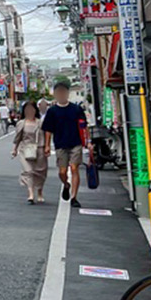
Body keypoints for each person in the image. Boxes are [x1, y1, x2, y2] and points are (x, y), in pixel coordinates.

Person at [42, 79, 87, 207]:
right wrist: (46, 145)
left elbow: (84, 126)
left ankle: (74, 197)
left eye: (64, 92)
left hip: (76, 142)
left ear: (67, 93)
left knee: (74, 168)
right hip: (60, 144)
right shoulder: (52, 111)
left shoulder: (76, 109)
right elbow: (48, 130)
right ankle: (66, 184)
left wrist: (87, 141)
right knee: (62, 172)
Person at [11, 100, 47, 204]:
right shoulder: (21, 123)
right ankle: (31, 194)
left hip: (39, 149)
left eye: (31, 109)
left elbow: (46, 136)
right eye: (27, 109)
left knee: (40, 172)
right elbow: (17, 138)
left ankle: (39, 192)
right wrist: (14, 149)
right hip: (25, 149)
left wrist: (47, 147)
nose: (29, 111)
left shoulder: (40, 123)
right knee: (28, 171)